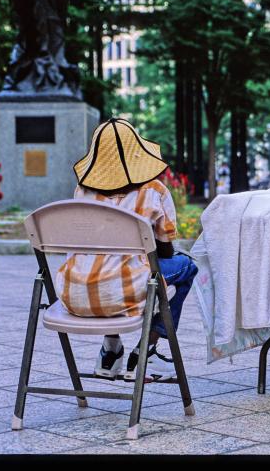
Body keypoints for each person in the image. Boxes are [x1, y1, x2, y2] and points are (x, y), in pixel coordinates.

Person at [56, 118, 198, 381]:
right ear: (137, 151)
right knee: (187, 267)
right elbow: (165, 254)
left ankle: (111, 352)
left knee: (103, 269)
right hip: (125, 292)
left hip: (73, 293)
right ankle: (147, 352)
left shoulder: (82, 191)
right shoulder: (155, 191)